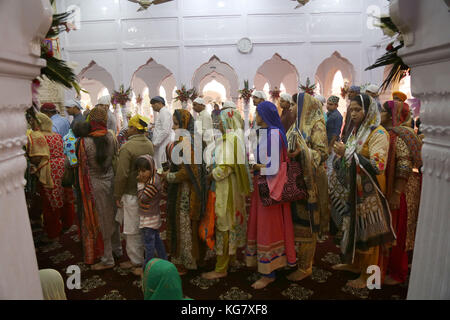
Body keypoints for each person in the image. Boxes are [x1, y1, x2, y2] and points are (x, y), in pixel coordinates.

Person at [329, 93, 395, 288]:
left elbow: (377, 166)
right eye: (352, 110)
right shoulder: (358, 131)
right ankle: (355, 265)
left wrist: (346, 153)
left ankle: (369, 278)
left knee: (369, 232)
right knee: (355, 228)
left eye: (358, 109)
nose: (354, 114)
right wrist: (342, 154)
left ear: (369, 110)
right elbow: (349, 156)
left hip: (369, 191)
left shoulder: (378, 133)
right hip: (354, 188)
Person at [246, 101, 296, 289]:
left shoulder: (273, 135)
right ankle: (271, 267)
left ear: (265, 115)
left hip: (271, 189)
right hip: (267, 187)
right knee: (267, 227)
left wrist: (257, 166)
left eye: (258, 113)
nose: (256, 116)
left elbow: (274, 167)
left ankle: (269, 273)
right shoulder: (271, 133)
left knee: (269, 228)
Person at [201, 107, 252, 280]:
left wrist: (209, 175)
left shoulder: (229, 140)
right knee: (231, 223)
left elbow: (225, 167)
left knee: (224, 224)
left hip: (226, 190)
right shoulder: (234, 138)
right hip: (233, 188)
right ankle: (231, 259)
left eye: (220, 122)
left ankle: (221, 268)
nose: (218, 124)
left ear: (228, 122)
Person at [285, 93, 328, 282]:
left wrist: (303, 150)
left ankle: (305, 267)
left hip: (310, 181)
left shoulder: (316, 124)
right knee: (297, 221)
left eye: (294, 104)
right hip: (297, 179)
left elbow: (322, 154)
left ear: (304, 106)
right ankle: (298, 260)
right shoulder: (296, 126)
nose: (292, 108)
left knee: (308, 223)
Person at [381, 100, 423, 285]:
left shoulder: (398, 135)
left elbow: (404, 165)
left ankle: (399, 272)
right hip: (402, 186)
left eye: (383, 112)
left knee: (400, 229)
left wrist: (397, 193)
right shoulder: (393, 133)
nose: (380, 115)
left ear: (392, 116)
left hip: (403, 188)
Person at [160, 109, 207, 275]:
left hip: (187, 191)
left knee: (183, 225)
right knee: (189, 224)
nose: (173, 127)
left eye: (176, 123)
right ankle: (195, 258)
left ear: (185, 124)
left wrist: (169, 176)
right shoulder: (195, 138)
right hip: (195, 189)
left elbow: (188, 172)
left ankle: (187, 261)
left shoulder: (186, 141)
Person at [76, 107, 123, 270]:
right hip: (111, 179)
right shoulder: (111, 136)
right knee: (114, 216)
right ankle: (117, 250)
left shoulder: (84, 142)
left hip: (95, 183)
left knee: (103, 219)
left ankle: (107, 258)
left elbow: (81, 166)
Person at [114, 114, 154, 276]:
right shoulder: (149, 144)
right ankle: (144, 255)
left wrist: (117, 194)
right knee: (144, 224)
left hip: (131, 192)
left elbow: (122, 174)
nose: (127, 129)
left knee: (131, 228)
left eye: (129, 126)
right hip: (146, 191)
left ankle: (136, 260)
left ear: (134, 128)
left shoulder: (127, 147)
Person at [30, 113, 75, 242]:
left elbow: (36, 157)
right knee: (65, 196)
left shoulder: (38, 136)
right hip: (62, 166)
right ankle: (67, 223)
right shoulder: (56, 136)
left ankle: (53, 232)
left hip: (49, 169)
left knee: (50, 202)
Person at [136, 154, 168, 271]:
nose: (141, 174)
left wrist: (139, 185)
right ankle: (163, 259)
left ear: (151, 168)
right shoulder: (153, 179)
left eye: (144, 171)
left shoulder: (153, 183)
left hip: (149, 218)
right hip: (151, 216)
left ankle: (146, 268)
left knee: (149, 245)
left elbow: (142, 198)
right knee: (156, 240)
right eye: (139, 171)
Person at [150, 96, 173, 169]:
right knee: (159, 165)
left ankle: (162, 178)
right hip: (160, 143)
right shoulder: (162, 112)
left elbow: (165, 130)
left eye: (154, 104)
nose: (152, 106)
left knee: (162, 165)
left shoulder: (164, 112)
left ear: (160, 103)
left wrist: (155, 143)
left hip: (163, 143)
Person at [325, 95, 343, 177]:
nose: (328, 106)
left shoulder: (337, 116)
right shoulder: (328, 113)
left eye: (331, 104)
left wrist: (330, 146)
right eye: (328, 104)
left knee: (330, 164)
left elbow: (336, 133)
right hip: (327, 142)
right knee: (327, 163)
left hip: (332, 143)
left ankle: (329, 185)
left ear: (336, 105)